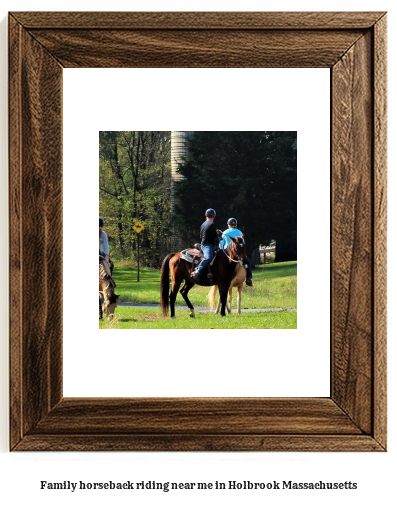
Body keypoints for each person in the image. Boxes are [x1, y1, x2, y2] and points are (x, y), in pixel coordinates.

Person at [220, 218, 253, 286]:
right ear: (236, 225)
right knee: (248, 263)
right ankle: (248, 278)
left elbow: (221, 244)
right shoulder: (239, 232)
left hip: (227, 253)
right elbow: (242, 244)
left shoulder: (225, 232)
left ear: (228, 225)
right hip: (238, 253)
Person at [191, 208, 219, 282]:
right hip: (207, 245)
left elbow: (201, 236)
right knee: (208, 257)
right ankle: (197, 270)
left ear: (206, 216)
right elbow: (215, 237)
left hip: (204, 243)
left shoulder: (203, 224)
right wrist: (219, 238)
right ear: (214, 216)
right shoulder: (212, 224)